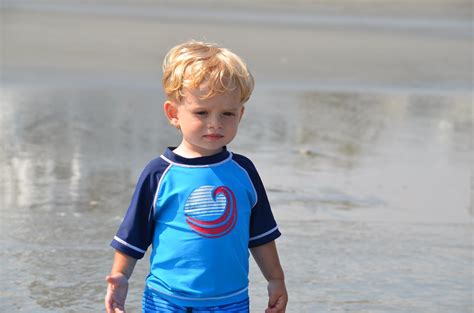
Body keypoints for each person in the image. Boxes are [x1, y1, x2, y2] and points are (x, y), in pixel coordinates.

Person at [105, 40, 288, 313]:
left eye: (227, 113)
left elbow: (260, 234)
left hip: (230, 301)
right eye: (201, 113)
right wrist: (119, 277)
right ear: (173, 113)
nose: (215, 123)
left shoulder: (243, 172)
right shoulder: (159, 172)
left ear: (241, 114)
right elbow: (133, 235)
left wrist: (276, 279)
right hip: (166, 300)